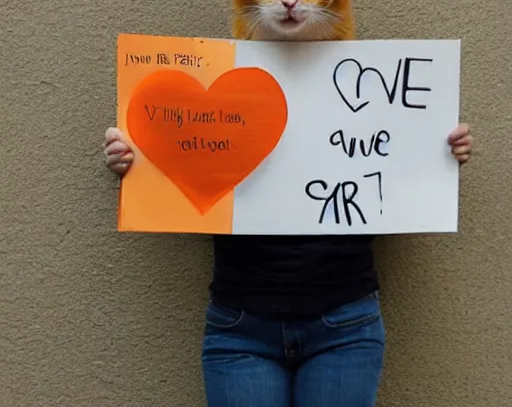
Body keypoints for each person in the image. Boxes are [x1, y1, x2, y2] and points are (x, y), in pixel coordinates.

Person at [102, 122, 472, 406]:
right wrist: (136, 159)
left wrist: (440, 151)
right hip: (240, 329)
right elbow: (181, 165)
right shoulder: (221, 91)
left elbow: (397, 165)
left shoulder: (366, 84)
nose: (291, 14)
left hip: (345, 326)